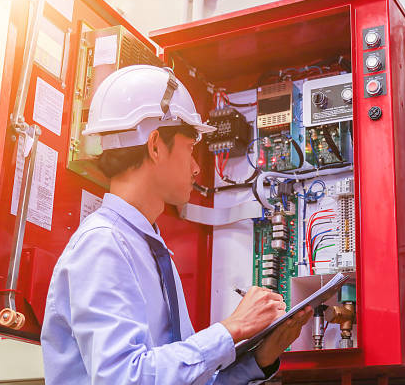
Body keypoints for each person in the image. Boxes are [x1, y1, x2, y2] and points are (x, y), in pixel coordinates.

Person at [41, 65, 313, 384]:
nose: (197, 168)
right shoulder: (103, 244)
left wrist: (259, 359)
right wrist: (231, 329)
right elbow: (122, 378)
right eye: (190, 149)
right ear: (156, 145)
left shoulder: (151, 251)